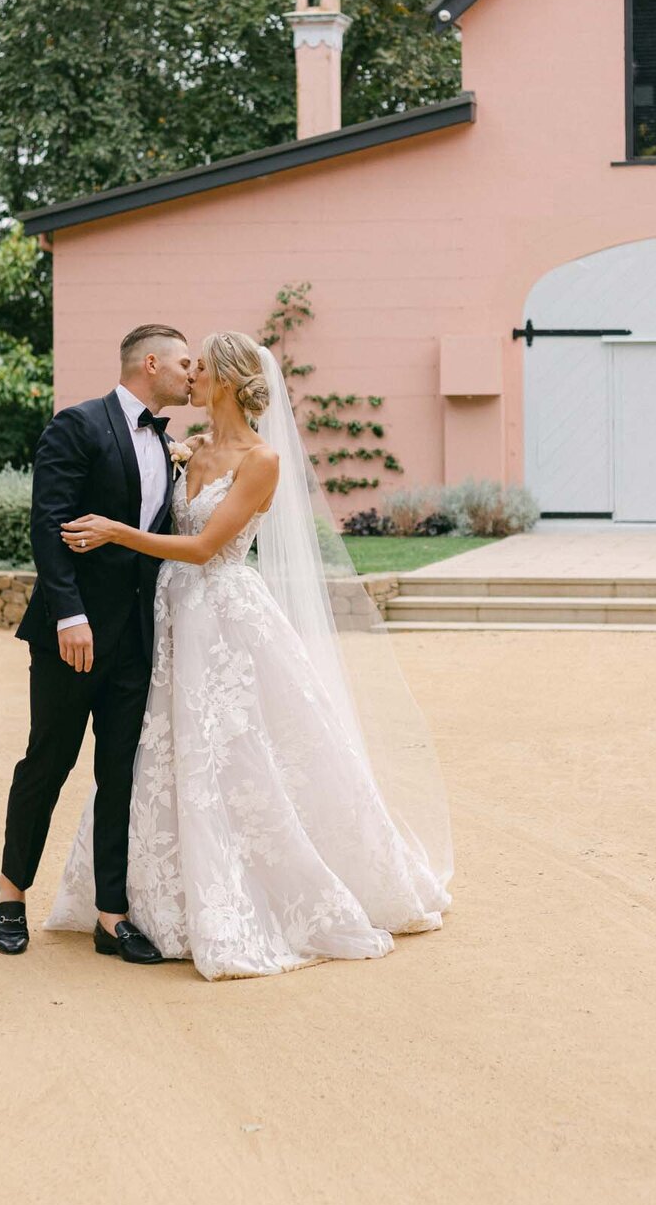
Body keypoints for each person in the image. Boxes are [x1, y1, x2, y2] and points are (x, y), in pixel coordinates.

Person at [46, 331, 453, 981]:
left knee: (240, 753)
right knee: (159, 749)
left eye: (201, 367)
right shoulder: (193, 448)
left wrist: (117, 532)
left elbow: (205, 546)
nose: (192, 377)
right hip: (172, 614)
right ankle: (129, 900)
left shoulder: (261, 460)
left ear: (230, 380)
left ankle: (246, 894)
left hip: (225, 619)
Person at [0, 324, 193, 962]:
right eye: (186, 363)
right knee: (47, 764)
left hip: (135, 642)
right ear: (151, 363)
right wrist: (67, 615)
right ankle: (9, 895)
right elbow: (48, 524)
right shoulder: (75, 425)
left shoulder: (167, 445)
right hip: (70, 638)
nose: (194, 374)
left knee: (119, 774)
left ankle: (112, 915)